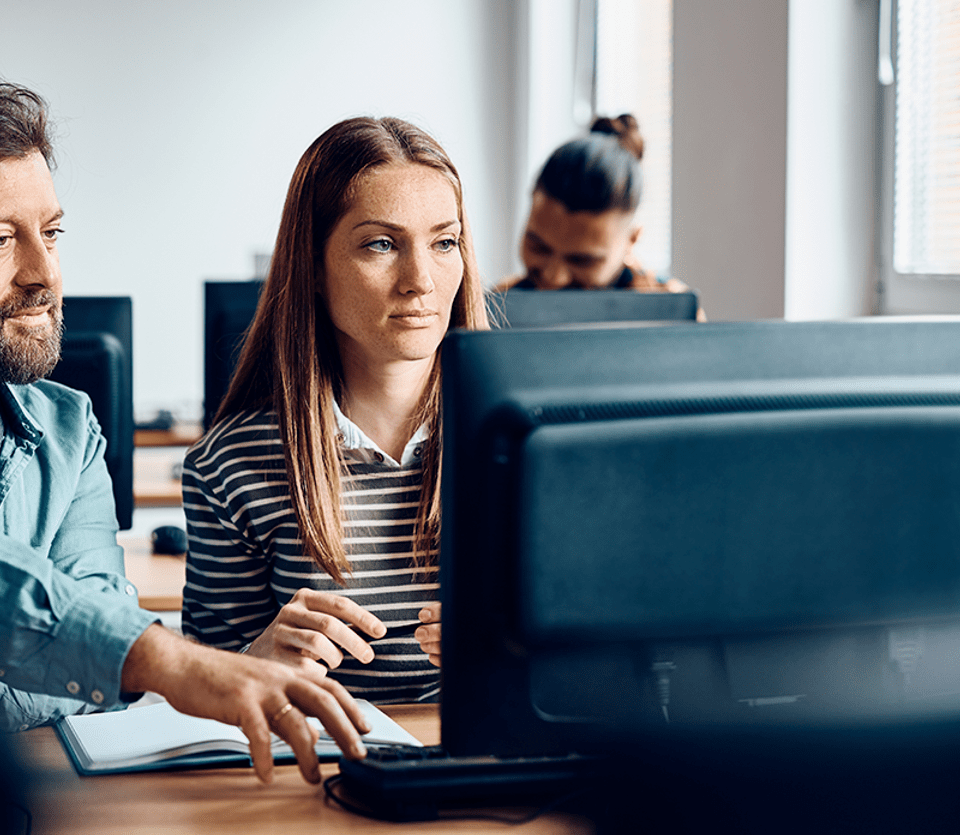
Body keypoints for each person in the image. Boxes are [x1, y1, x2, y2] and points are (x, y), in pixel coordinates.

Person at [0, 66, 368, 783]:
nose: (44, 273)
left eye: (51, 232)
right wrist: (155, 660)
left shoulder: (70, 429)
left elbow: (94, 690)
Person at [181, 118, 487, 704]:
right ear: (314, 269)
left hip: (486, 765)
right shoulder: (232, 464)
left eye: (444, 243)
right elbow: (202, 693)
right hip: (313, 773)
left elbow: (605, 667)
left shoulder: (523, 446)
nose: (420, 280)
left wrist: (520, 653)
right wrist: (255, 662)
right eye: (381, 244)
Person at [499, 114, 693, 294]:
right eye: (538, 247)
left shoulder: (673, 314)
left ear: (632, 239)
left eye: (582, 261)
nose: (554, 278)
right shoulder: (497, 305)